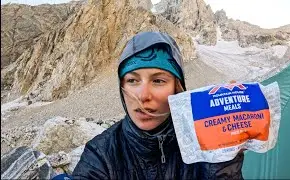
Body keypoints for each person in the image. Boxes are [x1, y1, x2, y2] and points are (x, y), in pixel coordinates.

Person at [72, 31, 244, 179]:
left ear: (177, 89)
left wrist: (223, 157)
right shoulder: (100, 153)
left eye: (158, 81)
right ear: (122, 88)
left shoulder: (202, 142)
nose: (143, 96)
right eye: (132, 80)